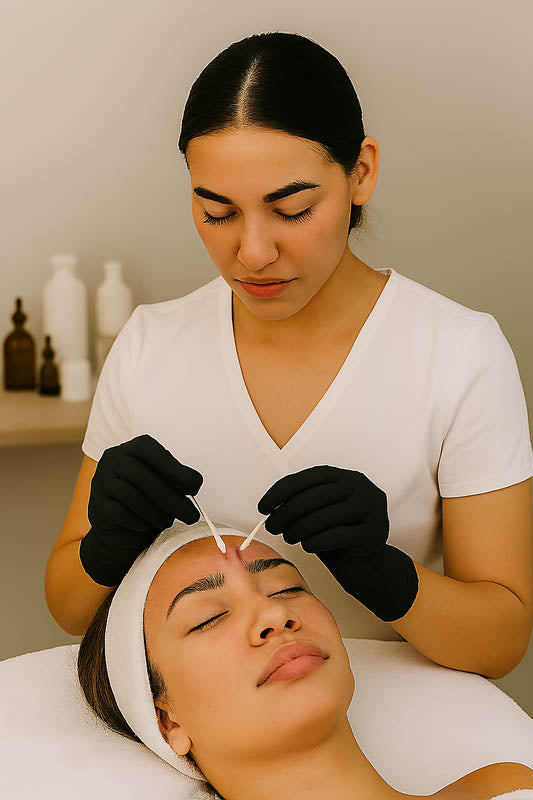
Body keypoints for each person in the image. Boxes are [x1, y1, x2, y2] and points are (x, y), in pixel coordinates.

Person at [47, 31, 533, 680]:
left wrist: (384, 573)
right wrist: (104, 548)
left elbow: (500, 642)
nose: (252, 253)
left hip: (384, 703)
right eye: (216, 212)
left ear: (360, 172)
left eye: (293, 209)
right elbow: (70, 609)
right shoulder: (148, 345)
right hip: (213, 711)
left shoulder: (458, 353)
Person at [77, 527, 533, 800]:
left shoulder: (504, 787)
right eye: (209, 618)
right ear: (165, 720)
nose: (276, 616)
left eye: (286, 589)